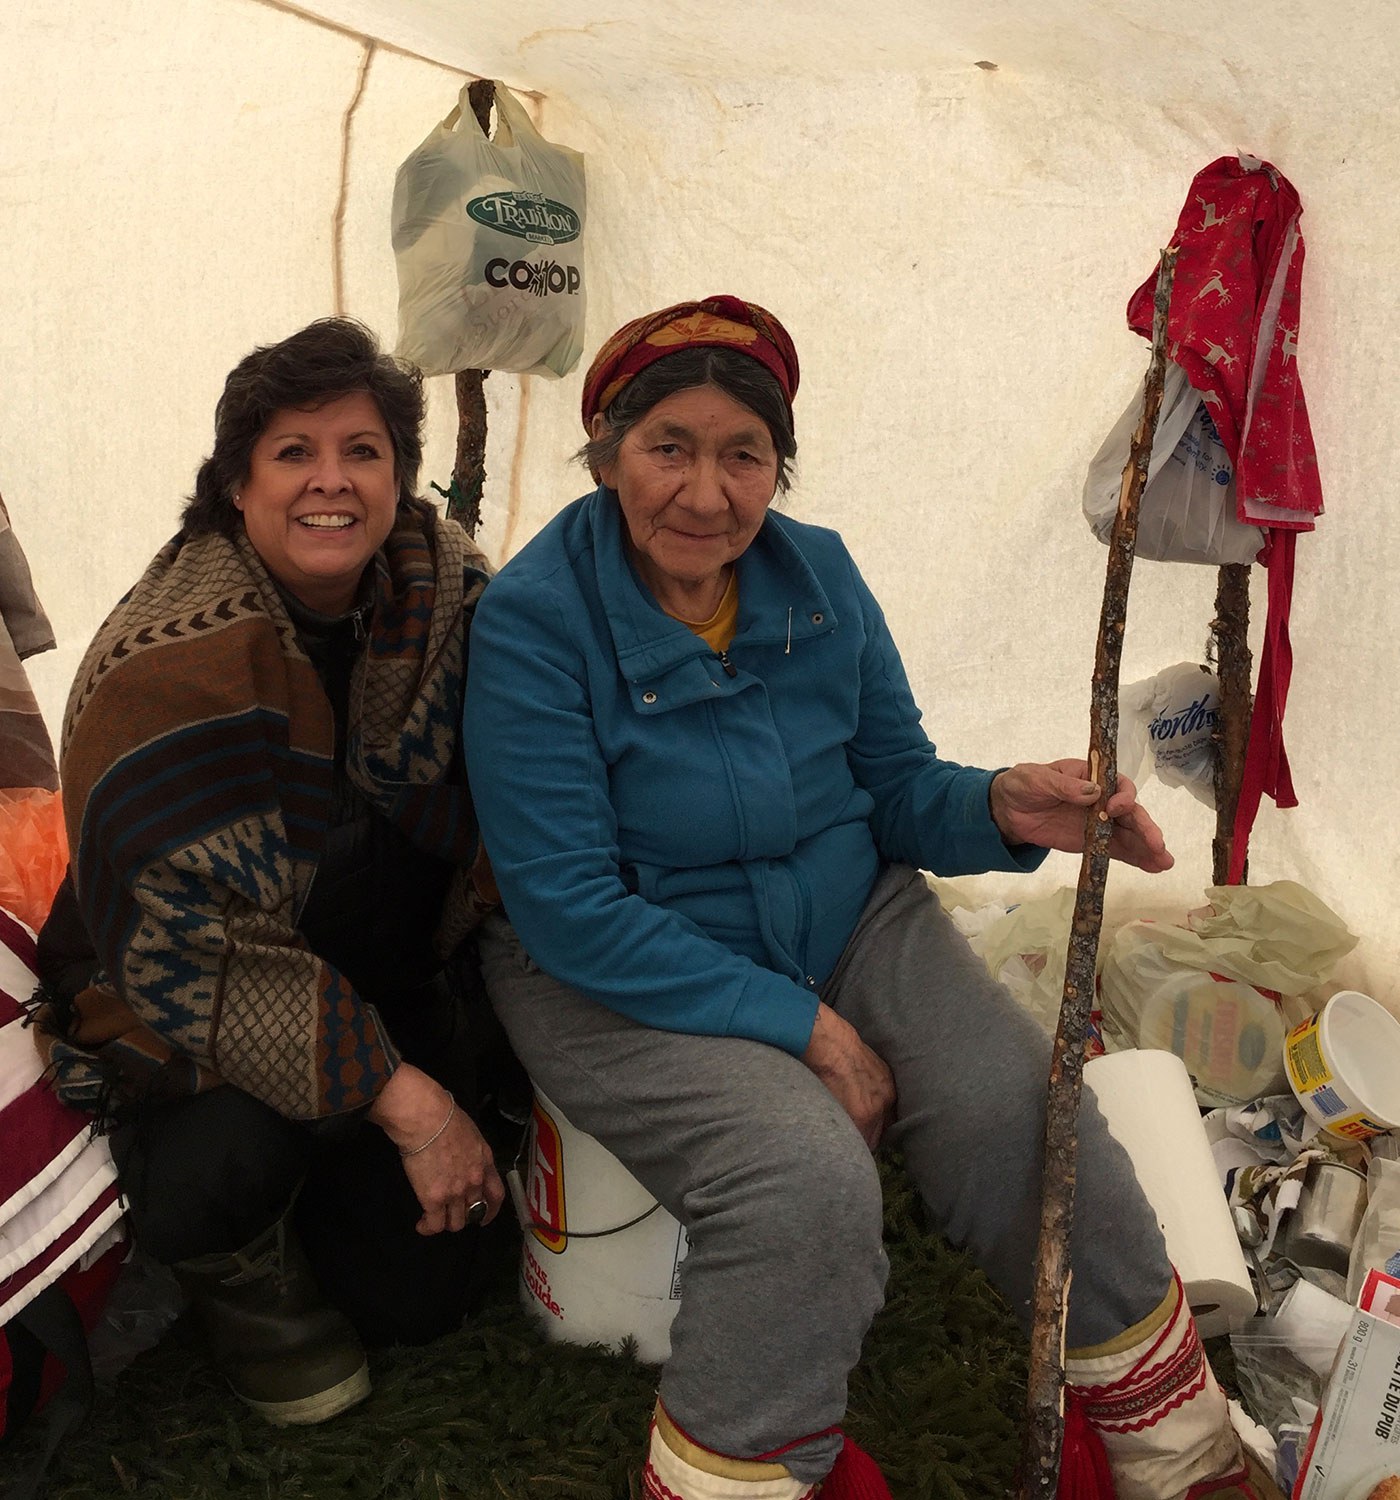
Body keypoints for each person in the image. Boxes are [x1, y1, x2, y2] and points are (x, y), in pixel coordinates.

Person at [463, 296, 1283, 1500]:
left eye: (742, 454)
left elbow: (893, 786)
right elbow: (569, 904)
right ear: (604, 456)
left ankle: (1168, 1447)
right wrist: (807, 1032)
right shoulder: (537, 621)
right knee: (796, 1176)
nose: (705, 493)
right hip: (616, 962)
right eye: (666, 448)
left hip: (845, 917)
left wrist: (1001, 805)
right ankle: (742, 1475)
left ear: (776, 469)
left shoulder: (820, 575)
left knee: (1021, 1112)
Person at [33, 318, 518, 1427]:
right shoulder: (169, 660)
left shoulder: (446, 594)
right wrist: (409, 1103)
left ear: (400, 475)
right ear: (235, 483)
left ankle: (349, 1154)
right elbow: (187, 940)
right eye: (293, 451)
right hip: (188, 1007)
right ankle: (234, 1266)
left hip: (373, 974)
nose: (331, 482)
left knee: (423, 1298)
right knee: (221, 1167)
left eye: (363, 450)